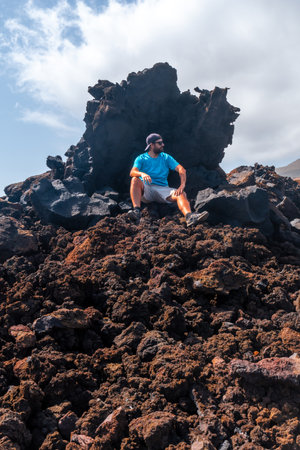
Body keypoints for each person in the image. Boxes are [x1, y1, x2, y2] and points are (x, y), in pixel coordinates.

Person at [128, 133, 209, 226]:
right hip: (147, 189)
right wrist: (142, 173)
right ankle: (137, 211)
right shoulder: (141, 158)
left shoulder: (166, 157)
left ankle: (189, 217)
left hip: (163, 189)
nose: (163, 144)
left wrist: (182, 185)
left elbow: (181, 169)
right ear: (151, 145)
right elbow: (132, 172)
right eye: (160, 143)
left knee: (181, 194)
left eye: (162, 142)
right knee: (135, 179)